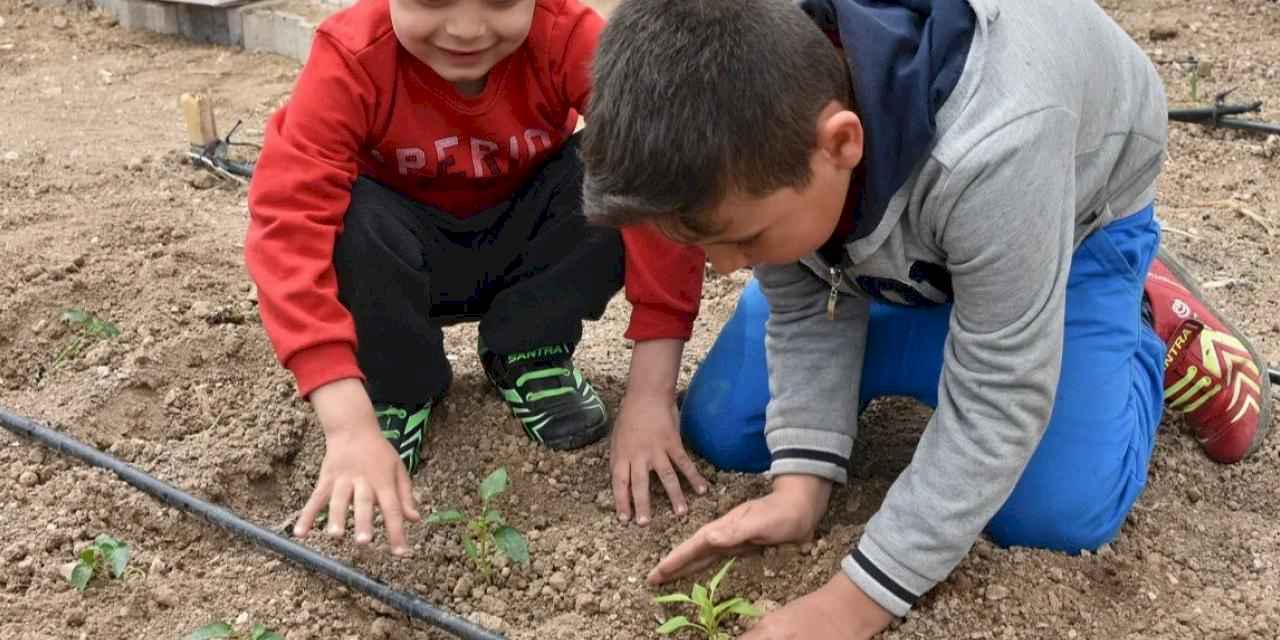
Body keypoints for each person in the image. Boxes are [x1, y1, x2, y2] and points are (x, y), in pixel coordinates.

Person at [580, 0, 1272, 637]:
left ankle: (1143, 325)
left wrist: (851, 605)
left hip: (1071, 217)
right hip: (897, 232)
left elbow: (1001, 395)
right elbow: (801, 298)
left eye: (743, 241)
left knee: (1059, 511)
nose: (727, 268)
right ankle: (955, 302)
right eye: (705, 246)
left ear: (841, 143)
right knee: (726, 427)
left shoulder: (998, 141)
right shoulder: (761, 111)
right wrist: (801, 488)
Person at [244, 0, 704, 557]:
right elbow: (289, 225)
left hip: (530, 243)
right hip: (396, 261)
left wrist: (651, 395)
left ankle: (529, 348)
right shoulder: (351, 58)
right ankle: (396, 387)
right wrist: (347, 425)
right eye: (432, 0)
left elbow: (660, 178)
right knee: (346, 215)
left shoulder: (571, 39)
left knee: (617, 169)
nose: (466, 28)